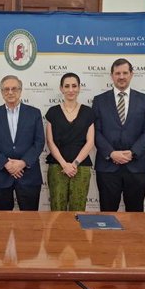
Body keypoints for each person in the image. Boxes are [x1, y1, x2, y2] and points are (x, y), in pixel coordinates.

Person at [92, 58, 145, 212]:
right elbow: (96, 131)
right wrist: (111, 153)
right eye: (117, 73)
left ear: (131, 74)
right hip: (108, 168)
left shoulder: (144, 100)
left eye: (125, 73)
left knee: (135, 215)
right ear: (112, 76)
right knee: (107, 214)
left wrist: (133, 153)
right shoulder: (99, 100)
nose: (121, 77)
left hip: (137, 167)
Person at [0, 75, 44, 211]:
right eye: (6, 89)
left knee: (29, 222)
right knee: (2, 222)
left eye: (14, 88)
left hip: (28, 175)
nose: (10, 92)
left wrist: (23, 163)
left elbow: (39, 142)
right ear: (1, 92)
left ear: (20, 90)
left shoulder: (34, 113)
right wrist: (6, 163)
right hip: (1, 175)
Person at [44, 73, 94, 211]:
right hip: (57, 167)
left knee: (78, 209)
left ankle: (77, 234)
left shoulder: (89, 112)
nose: (71, 89)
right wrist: (64, 164)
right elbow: (50, 141)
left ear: (79, 88)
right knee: (57, 208)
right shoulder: (53, 112)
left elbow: (90, 142)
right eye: (67, 86)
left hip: (81, 167)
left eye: (74, 86)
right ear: (61, 89)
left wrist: (74, 163)